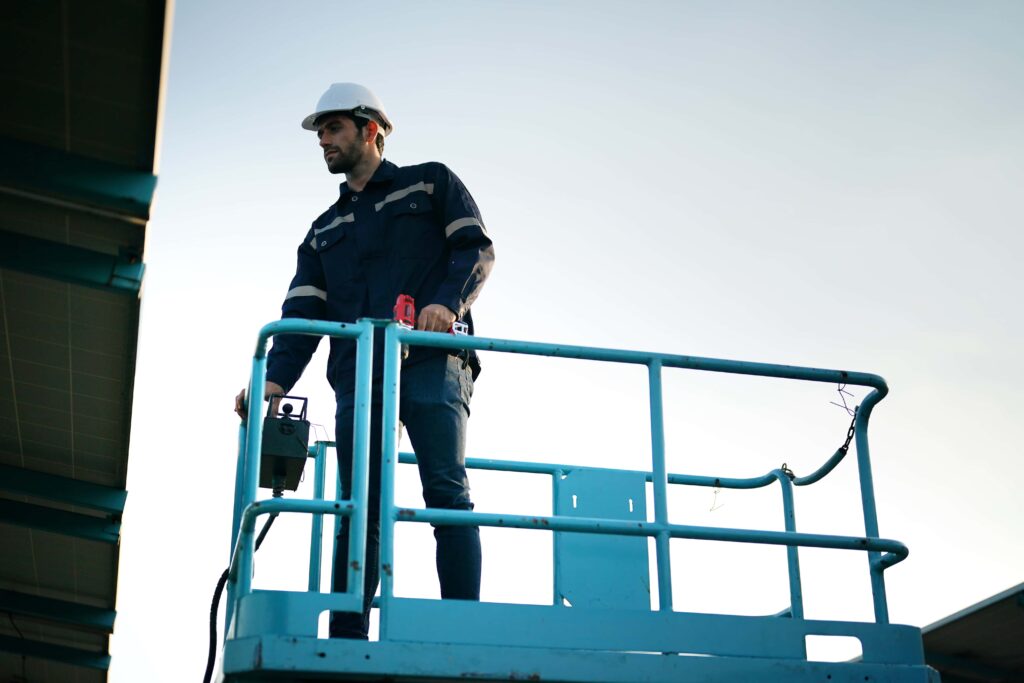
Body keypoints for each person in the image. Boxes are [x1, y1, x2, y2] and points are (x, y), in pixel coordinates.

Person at [234, 82, 494, 639]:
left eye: (332, 128)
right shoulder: (324, 230)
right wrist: (273, 381)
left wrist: (445, 304)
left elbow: (475, 249)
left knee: (446, 491)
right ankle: (348, 633)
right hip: (359, 374)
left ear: (370, 129)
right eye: (320, 132)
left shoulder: (430, 182)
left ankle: (462, 626)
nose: (323, 140)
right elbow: (302, 313)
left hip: (433, 359)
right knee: (358, 506)